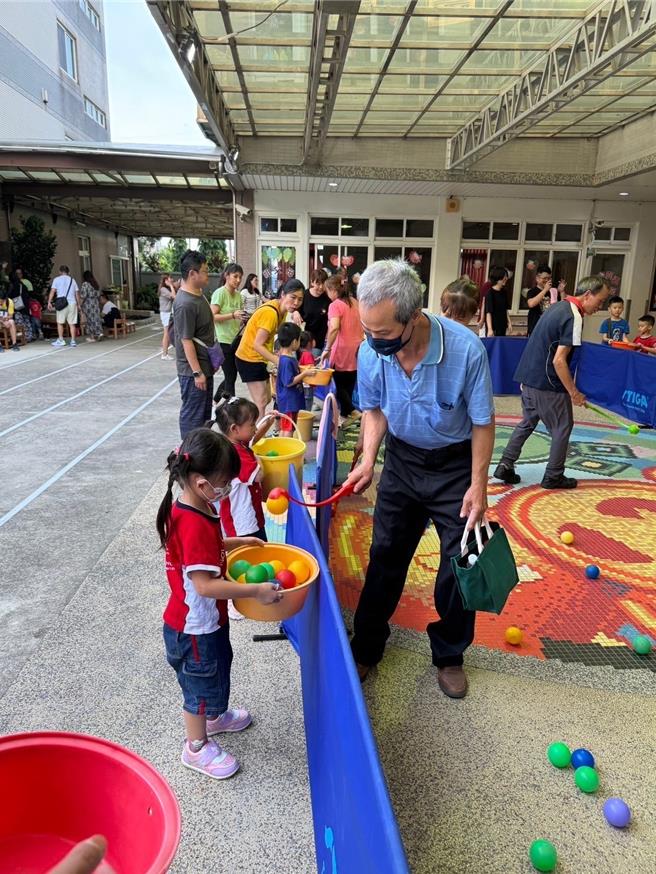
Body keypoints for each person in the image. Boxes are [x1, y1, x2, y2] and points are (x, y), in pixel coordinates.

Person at [345, 259, 495, 699]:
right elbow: (373, 408)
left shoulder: (466, 350)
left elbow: (484, 422)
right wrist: (369, 457)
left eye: (384, 334)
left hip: (455, 466)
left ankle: (449, 654)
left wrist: (479, 485)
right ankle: (367, 646)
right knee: (385, 554)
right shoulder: (372, 350)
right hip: (404, 463)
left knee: (459, 563)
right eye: (367, 331)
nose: (374, 342)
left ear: (413, 317)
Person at [157, 428, 282, 780]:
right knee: (198, 685)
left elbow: (204, 550)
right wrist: (256, 593)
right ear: (201, 483)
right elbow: (205, 584)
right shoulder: (193, 519)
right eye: (225, 484)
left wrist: (235, 541)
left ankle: (214, 717)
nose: (227, 489)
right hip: (193, 628)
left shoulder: (195, 505)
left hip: (206, 622)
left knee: (215, 670)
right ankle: (195, 746)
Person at [495, 276, 611, 490]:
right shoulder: (574, 316)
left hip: (528, 378)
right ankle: (553, 476)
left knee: (528, 421)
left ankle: (505, 464)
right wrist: (574, 392)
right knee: (562, 426)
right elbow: (559, 360)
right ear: (588, 295)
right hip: (547, 382)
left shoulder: (557, 308)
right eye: (600, 300)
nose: (600, 306)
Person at [235, 278, 305, 420]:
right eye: (293, 297)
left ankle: (257, 433)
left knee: (266, 399)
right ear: (283, 294)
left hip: (259, 359)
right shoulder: (271, 313)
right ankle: (256, 438)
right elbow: (257, 345)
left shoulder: (282, 311)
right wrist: (279, 361)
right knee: (261, 402)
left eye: (300, 299)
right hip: (248, 358)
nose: (296, 303)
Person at [174, 250, 217, 439]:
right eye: (205, 271)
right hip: (193, 372)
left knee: (204, 417)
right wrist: (197, 373)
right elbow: (186, 340)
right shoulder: (185, 304)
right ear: (192, 274)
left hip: (204, 367)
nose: (208, 275)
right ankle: (189, 457)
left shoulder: (199, 295)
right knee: (193, 416)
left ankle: (202, 454)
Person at [321, 274, 363, 426]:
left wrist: (327, 348)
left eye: (327, 291)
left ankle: (352, 410)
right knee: (349, 382)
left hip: (341, 349)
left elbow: (334, 328)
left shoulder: (335, 305)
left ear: (333, 290)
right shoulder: (356, 302)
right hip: (357, 348)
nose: (327, 294)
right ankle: (346, 415)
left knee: (337, 383)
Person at [211, 263, 244, 398]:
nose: (238, 280)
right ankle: (231, 406)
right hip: (223, 340)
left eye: (240, 277)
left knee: (232, 374)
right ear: (227, 276)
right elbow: (212, 316)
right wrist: (232, 315)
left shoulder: (238, 296)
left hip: (235, 339)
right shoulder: (219, 293)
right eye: (235, 276)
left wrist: (243, 318)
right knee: (230, 375)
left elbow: (238, 315)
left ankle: (217, 398)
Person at [276, 323, 316, 432]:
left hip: (290, 401)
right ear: (294, 341)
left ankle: (284, 447)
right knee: (288, 429)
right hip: (289, 401)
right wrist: (304, 374)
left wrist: (302, 369)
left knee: (287, 427)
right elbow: (288, 382)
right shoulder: (286, 360)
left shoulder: (287, 358)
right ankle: (286, 448)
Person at [295, 269, 330, 351]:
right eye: (318, 283)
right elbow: (295, 310)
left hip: (321, 342)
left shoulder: (328, 298)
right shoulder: (304, 295)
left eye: (323, 284)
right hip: (304, 341)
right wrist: (295, 312)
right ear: (312, 282)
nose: (321, 287)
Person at [47, 265, 80, 347]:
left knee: (60, 322)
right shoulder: (73, 280)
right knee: (72, 323)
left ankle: (61, 340)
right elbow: (77, 293)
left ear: (59, 272)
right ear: (68, 272)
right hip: (72, 303)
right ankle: (73, 341)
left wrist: (49, 302)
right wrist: (79, 304)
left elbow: (52, 291)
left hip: (61, 303)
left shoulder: (56, 280)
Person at [485, 267, 513, 337]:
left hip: (502, 326)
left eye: (506, 277)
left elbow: (505, 309)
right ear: (498, 278)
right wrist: (490, 329)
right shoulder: (490, 293)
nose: (506, 279)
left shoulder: (504, 292)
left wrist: (509, 322)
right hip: (494, 326)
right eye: (504, 277)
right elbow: (488, 312)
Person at [8, 269, 34, 342]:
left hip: (17, 307)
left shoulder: (12, 286)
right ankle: (29, 337)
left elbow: (9, 296)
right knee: (26, 321)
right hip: (25, 306)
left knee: (20, 323)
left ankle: (23, 338)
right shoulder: (22, 285)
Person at [79, 270, 103, 342]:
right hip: (95, 304)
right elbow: (99, 295)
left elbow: (83, 296)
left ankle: (92, 337)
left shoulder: (85, 284)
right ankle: (99, 333)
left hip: (88, 304)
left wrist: (79, 305)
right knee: (96, 319)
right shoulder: (95, 284)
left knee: (89, 320)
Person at [158, 273, 176, 359]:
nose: (172, 280)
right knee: (166, 333)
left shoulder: (166, 289)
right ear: (165, 281)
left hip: (168, 313)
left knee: (168, 333)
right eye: (170, 278)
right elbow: (174, 296)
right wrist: (172, 286)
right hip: (166, 313)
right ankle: (164, 354)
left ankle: (165, 353)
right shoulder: (163, 289)